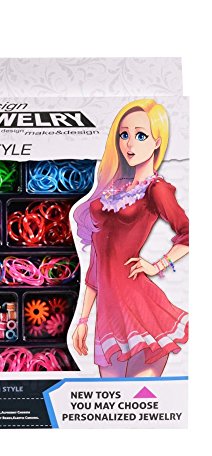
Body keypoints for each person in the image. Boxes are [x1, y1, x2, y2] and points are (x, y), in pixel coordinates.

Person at [72, 99, 189, 378]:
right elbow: (97, 262)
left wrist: (158, 265)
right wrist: (83, 319)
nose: (130, 144)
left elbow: (191, 232)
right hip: (108, 316)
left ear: (157, 142)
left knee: (141, 399)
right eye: (124, 135)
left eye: (141, 135)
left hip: (140, 308)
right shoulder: (113, 188)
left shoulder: (157, 189)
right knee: (112, 400)